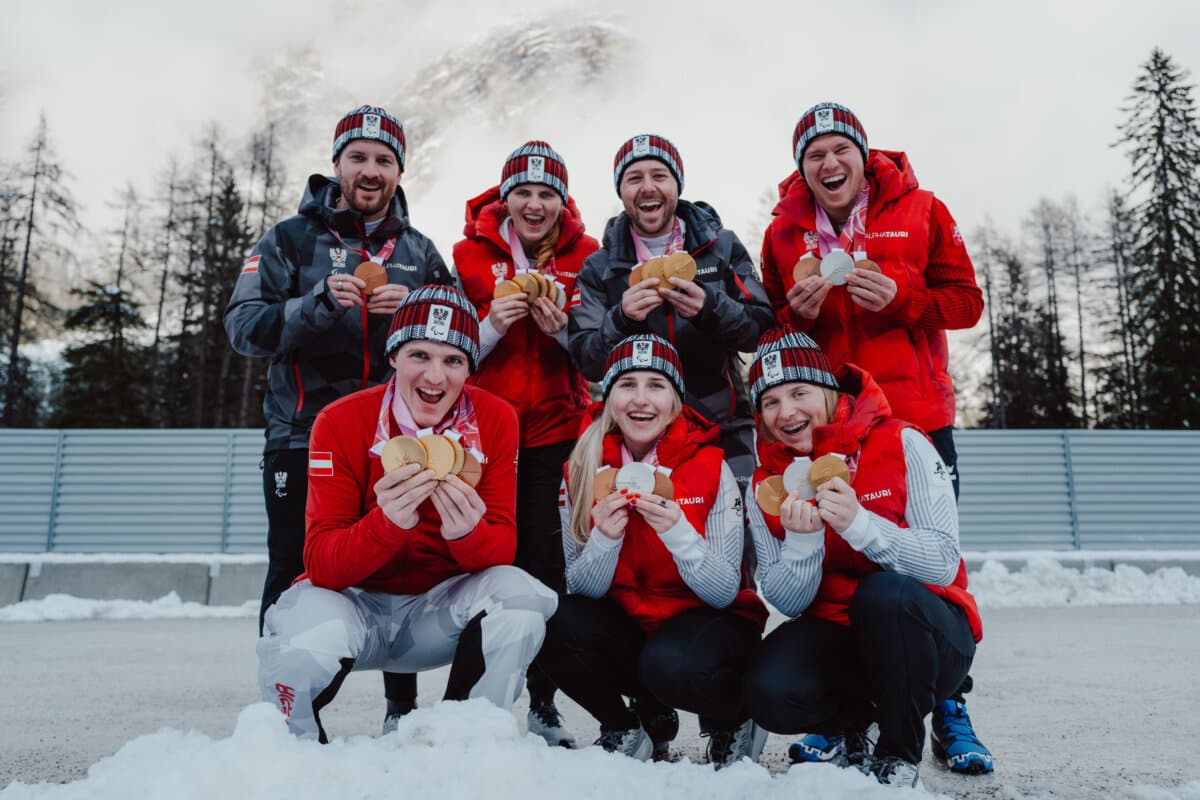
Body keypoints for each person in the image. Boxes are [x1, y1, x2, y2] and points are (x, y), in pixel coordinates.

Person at [758, 102, 992, 773]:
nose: (829, 163)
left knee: (928, 568)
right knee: (837, 555)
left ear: (863, 156)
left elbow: (967, 302)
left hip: (917, 416)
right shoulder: (782, 235)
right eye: (814, 155)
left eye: (840, 150)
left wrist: (904, 298)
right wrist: (789, 317)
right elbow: (773, 333)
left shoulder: (922, 211)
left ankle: (948, 700)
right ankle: (845, 711)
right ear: (801, 169)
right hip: (833, 423)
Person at [225, 105, 452, 731]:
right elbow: (243, 327)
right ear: (337, 164)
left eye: (384, 160)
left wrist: (421, 306)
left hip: (397, 443)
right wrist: (318, 303)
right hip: (302, 436)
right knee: (295, 566)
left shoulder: (418, 250)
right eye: (359, 157)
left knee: (398, 562)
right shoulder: (289, 240)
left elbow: (453, 332)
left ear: (399, 170)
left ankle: (401, 711)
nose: (370, 170)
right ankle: (286, 710)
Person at [256, 286, 558, 741]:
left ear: (470, 369)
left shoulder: (495, 419)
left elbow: (502, 546)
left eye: (453, 360)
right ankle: (290, 747)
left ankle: (466, 735)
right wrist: (386, 524)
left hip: (439, 613)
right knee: (296, 620)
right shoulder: (340, 421)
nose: (435, 376)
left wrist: (468, 534)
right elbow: (320, 563)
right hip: (356, 606)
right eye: (420, 354)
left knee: (522, 598)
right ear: (394, 357)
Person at [740, 327, 983, 788]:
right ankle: (858, 722)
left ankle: (898, 751)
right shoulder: (765, 483)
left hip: (930, 635)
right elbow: (789, 604)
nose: (785, 412)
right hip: (840, 635)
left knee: (883, 594)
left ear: (829, 391)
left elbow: (942, 562)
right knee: (767, 690)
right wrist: (804, 544)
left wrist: (860, 526)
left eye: (799, 392)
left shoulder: (902, 441)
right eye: (769, 401)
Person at [534, 334, 769, 768]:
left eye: (656, 385)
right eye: (627, 384)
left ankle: (732, 718)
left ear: (676, 399)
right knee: (550, 619)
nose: (641, 400)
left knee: (671, 663)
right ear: (609, 394)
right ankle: (629, 725)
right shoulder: (581, 468)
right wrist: (605, 539)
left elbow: (723, 590)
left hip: (707, 625)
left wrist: (679, 533)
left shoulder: (709, 464)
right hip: (631, 622)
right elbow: (581, 587)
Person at [452, 141, 599, 747]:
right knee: (483, 565)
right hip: (486, 439)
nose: (535, 204)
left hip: (557, 437)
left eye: (547, 193)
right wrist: (492, 323)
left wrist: (563, 333)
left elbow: (599, 354)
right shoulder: (466, 254)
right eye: (524, 192)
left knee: (546, 572)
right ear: (505, 198)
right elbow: (449, 349)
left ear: (562, 202)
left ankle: (543, 703)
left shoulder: (588, 256)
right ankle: (461, 705)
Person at [567, 133, 774, 509]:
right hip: (638, 434)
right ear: (621, 191)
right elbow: (586, 360)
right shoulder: (600, 268)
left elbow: (760, 330)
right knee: (652, 543)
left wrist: (710, 308)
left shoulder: (721, 247)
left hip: (722, 425)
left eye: (659, 175)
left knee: (741, 537)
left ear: (677, 184)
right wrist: (623, 318)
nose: (648, 187)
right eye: (634, 178)